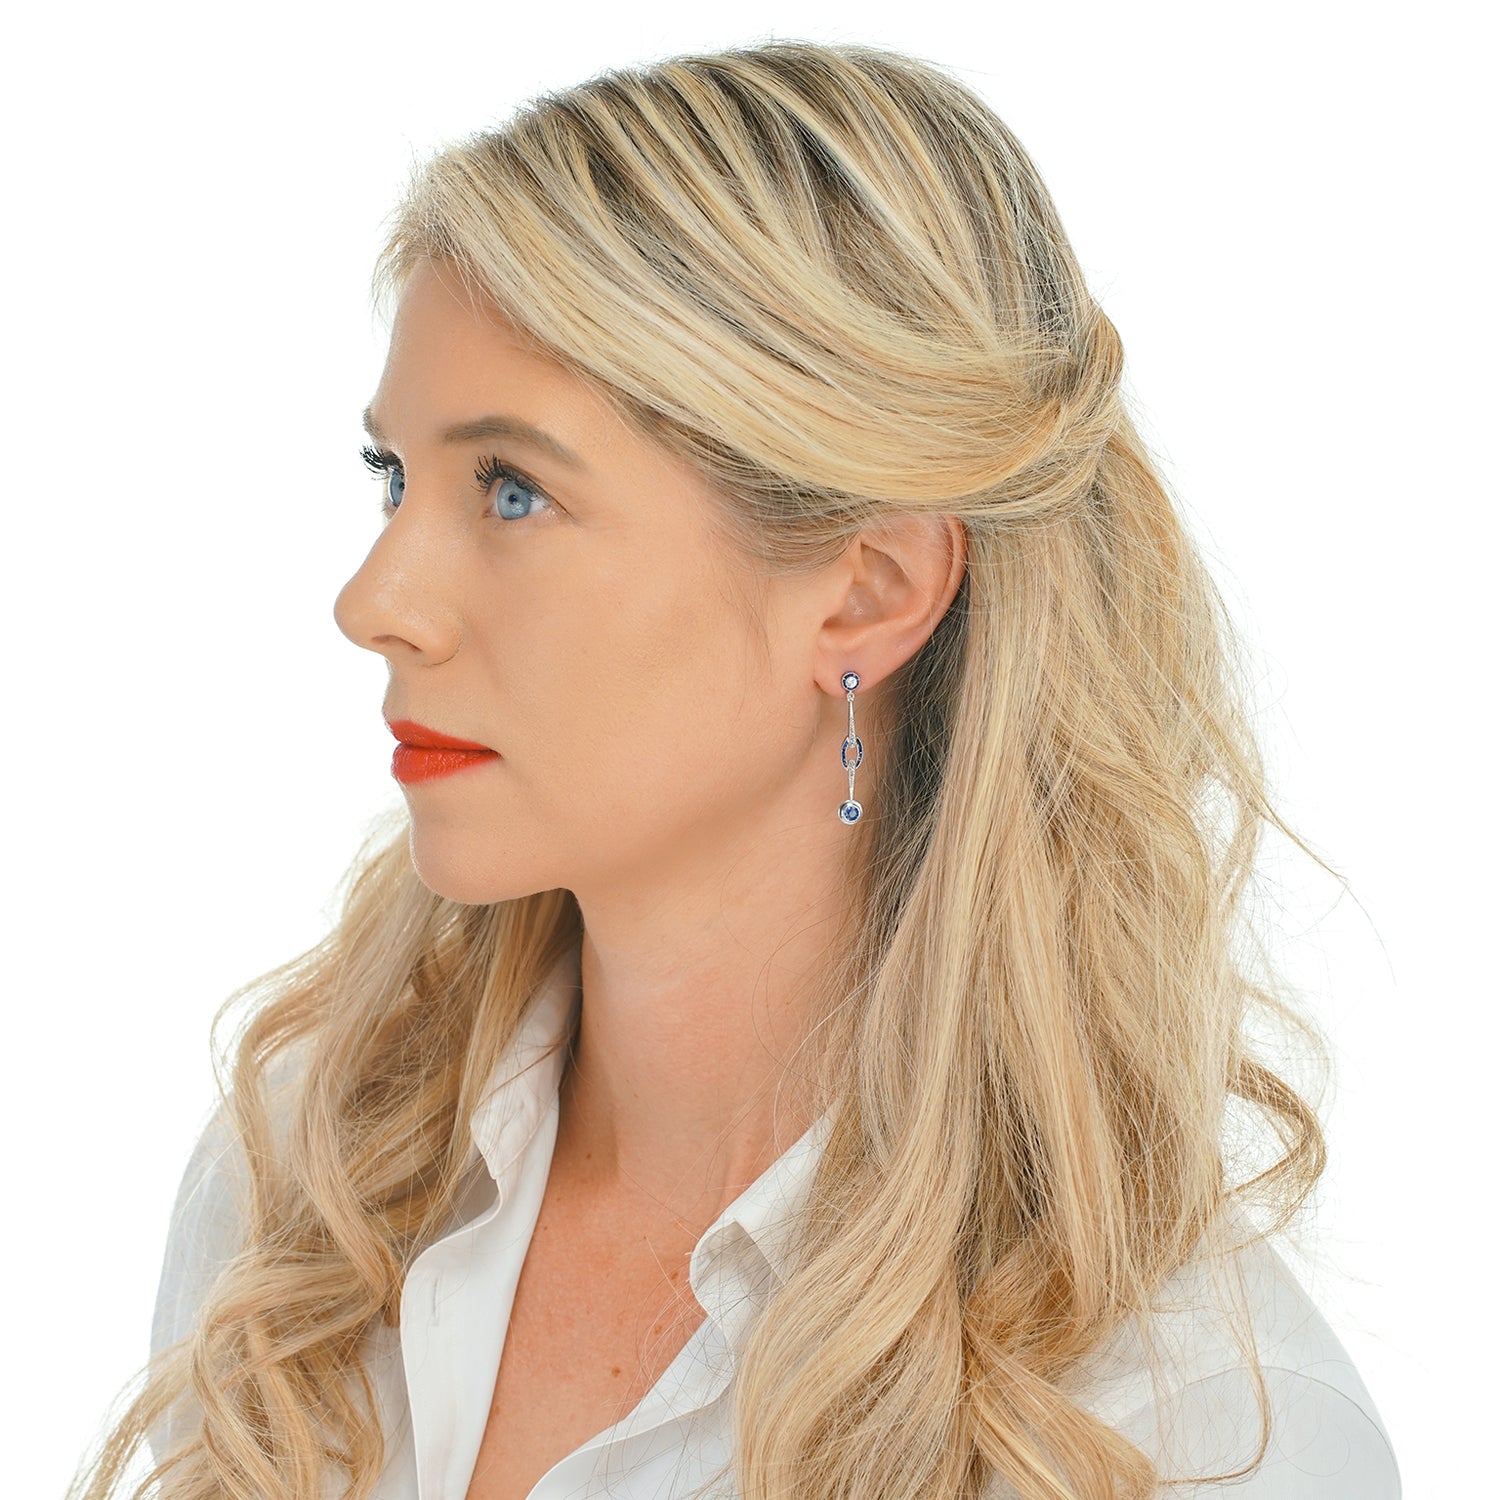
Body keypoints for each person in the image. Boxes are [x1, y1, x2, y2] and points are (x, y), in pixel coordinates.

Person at [70, 39, 1400, 1500]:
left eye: (512, 491)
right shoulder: (306, 1188)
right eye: (394, 478)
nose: (375, 600)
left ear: (868, 591)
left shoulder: (1177, 1434)